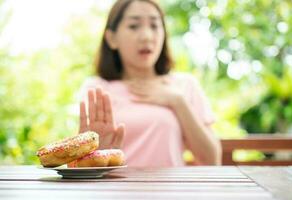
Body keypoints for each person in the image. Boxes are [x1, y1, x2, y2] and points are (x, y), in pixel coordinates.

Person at [78, 0, 222, 167]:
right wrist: (96, 152)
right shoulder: (97, 89)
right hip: (115, 191)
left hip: (172, 191)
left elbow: (212, 160)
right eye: (134, 26)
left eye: (154, 26)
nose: (147, 36)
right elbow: (84, 165)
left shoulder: (184, 85)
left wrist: (177, 102)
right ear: (112, 38)